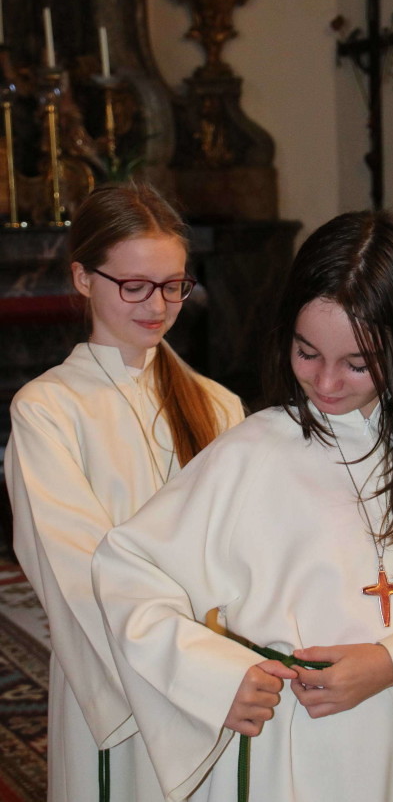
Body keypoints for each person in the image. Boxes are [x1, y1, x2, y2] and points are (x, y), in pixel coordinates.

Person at [92, 210, 393, 802]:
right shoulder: (252, 452)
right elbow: (127, 572)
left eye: (357, 363)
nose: (326, 383)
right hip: (285, 747)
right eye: (307, 353)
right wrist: (215, 677)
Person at [4, 182, 245, 802]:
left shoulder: (219, 405)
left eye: (173, 285)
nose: (157, 305)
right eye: (134, 285)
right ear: (83, 278)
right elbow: (76, 572)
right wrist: (190, 671)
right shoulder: (48, 411)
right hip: (123, 677)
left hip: (222, 676)